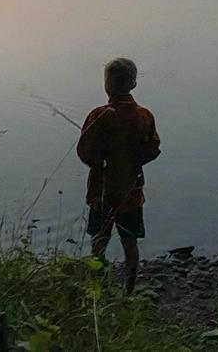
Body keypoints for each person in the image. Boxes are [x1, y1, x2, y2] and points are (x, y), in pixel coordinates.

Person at [76, 57, 160, 294]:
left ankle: (97, 288)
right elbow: (153, 149)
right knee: (130, 242)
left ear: (106, 85)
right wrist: (132, 159)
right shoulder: (144, 116)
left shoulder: (97, 116)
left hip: (101, 193)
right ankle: (129, 291)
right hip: (131, 193)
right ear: (133, 84)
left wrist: (100, 160)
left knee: (99, 240)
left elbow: (84, 152)